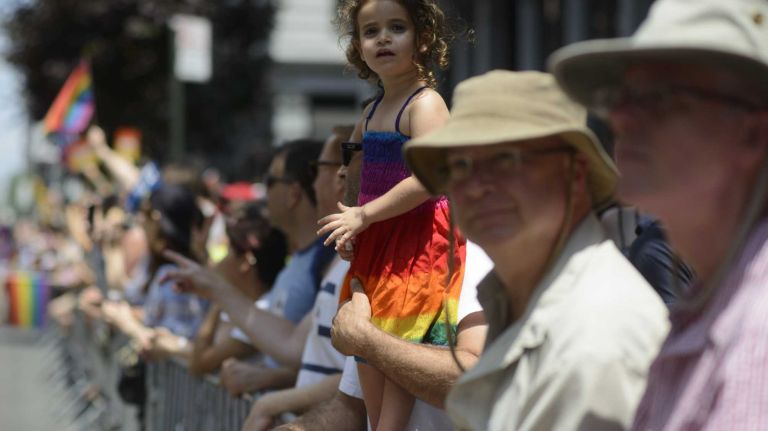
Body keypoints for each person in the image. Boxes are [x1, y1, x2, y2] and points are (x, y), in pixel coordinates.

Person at [402, 70, 670, 430]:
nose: (477, 186)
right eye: (460, 165)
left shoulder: (592, 333)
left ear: (574, 173)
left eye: (506, 159)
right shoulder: (523, 300)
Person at [549, 0, 768, 428]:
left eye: (661, 97)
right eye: (620, 97)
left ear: (753, 133)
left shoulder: (757, 328)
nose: (619, 117)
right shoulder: (710, 302)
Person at [318, 1, 463, 428]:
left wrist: (363, 217)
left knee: (395, 384)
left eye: (396, 27)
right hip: (380, 246)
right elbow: (359, 179)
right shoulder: (369, 111)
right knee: (372, 386)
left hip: (418, 249)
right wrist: (353, 229)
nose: (382, 38)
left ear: (423, 39)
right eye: (370, 30)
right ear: (357, 47)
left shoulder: (426, 104)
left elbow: (431, 178)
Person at [187, 201, 287, 376]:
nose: (221, 259)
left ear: (245, 262)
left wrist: (219, 294)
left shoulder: (261, 313)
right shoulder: (252, 306)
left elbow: (198, 364)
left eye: (228, 250)